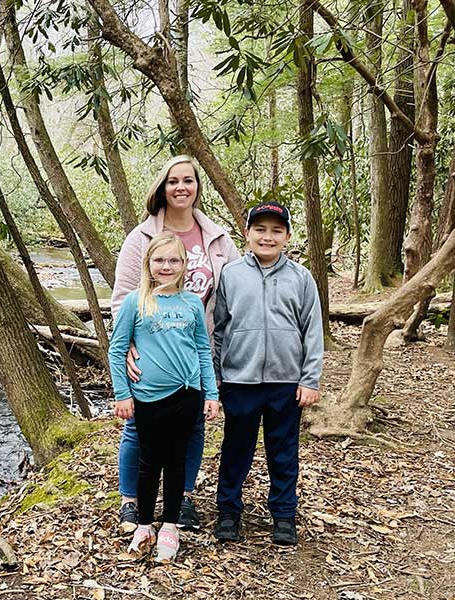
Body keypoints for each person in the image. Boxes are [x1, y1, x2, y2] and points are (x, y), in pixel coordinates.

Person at [111, 155, 239, 533]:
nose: (181, 187)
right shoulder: (141, 238)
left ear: (198, 187)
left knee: (194, 427)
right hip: (149, 351)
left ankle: (181, 498)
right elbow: (122, 297)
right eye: (173, 181)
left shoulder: (217, 237)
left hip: (198, 347)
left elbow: (231, 290)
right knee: (138, 427)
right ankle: (131, 501)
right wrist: (129, 344)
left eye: (188, 180)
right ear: (161, 188)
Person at [212, 201, 323, 546]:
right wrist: (216, 378)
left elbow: (313, 331)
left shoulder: (301, 278)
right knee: (236, 449)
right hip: (239, 380)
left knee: (284, 451)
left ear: (287, 237)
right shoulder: (231, 275)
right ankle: (229, 511)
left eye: (276, 230)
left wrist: (310, 378)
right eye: (260, 229)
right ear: (246, 234)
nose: (267, 237)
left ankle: (284, 515)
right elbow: (219, 329)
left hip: (285, 382)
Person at [109, 232, 219, 562]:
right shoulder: (136, 301)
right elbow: (117, 350)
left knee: (175, 462)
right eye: (160, 260)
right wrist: (122, 394)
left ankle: (170, 525)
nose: (166, 266)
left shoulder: (191, 304)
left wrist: (210, 393)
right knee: (148, 462)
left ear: (184, 265)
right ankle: (144, 524)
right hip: (147, 397)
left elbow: (202, 349)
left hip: (187, 395)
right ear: (148, 264)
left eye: (174, 260)